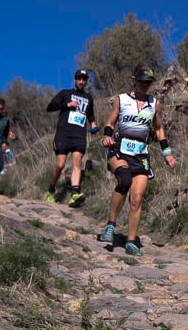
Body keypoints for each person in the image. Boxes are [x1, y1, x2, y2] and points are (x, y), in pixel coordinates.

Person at [97, 65, 176, 255]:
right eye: (141, 81)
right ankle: (110, 225)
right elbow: (110, 122)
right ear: (135, 80)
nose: (144, 85)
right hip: (120, 148)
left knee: (137, 199)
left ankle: (131, 242)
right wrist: (107, 136)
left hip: (141, 153)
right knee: (124, 179)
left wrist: (167, 153)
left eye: (147, 82)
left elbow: (158, 129)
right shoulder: (121, 100)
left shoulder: (154, 104)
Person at [46, 69, 98, 206]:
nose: (81, 81)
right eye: (79, 79)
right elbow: (50, 107)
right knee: (60, 164)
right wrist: (67, 105)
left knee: (77, 164)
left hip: (79, 136)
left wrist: (93, 124)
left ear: (86, 81)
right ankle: (51, 189)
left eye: (84, 79)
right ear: (75, 80)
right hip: (63, 134)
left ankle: (75, 193)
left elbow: (90, 115)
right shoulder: (65, 93)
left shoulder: (89, 98)